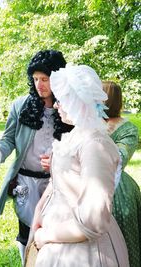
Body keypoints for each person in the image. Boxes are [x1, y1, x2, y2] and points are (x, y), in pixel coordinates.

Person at [0, 50, 74, 264]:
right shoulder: (21, 106)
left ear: (58, 78)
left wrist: (60, 162)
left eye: (45, 79)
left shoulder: (68, 109)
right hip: (26, 183)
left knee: (55, 235)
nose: (39, 84)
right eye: (35, 79)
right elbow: (8, 140)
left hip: (58, 183)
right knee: (27, 233)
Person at [27, 64, 129, 267]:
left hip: (83, 252)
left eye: (61, 100)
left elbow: (93, 222)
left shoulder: (95, 145)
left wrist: (46, 235)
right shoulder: (76, 135)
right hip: (59, 235)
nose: (56, 105)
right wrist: (39, 211)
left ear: (78, 102)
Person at [103, 81, 141, 267]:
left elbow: (119, 159)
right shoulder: (86, 122)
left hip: (118, 189)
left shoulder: (128, 129)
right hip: (89, 182)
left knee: (123, 238)